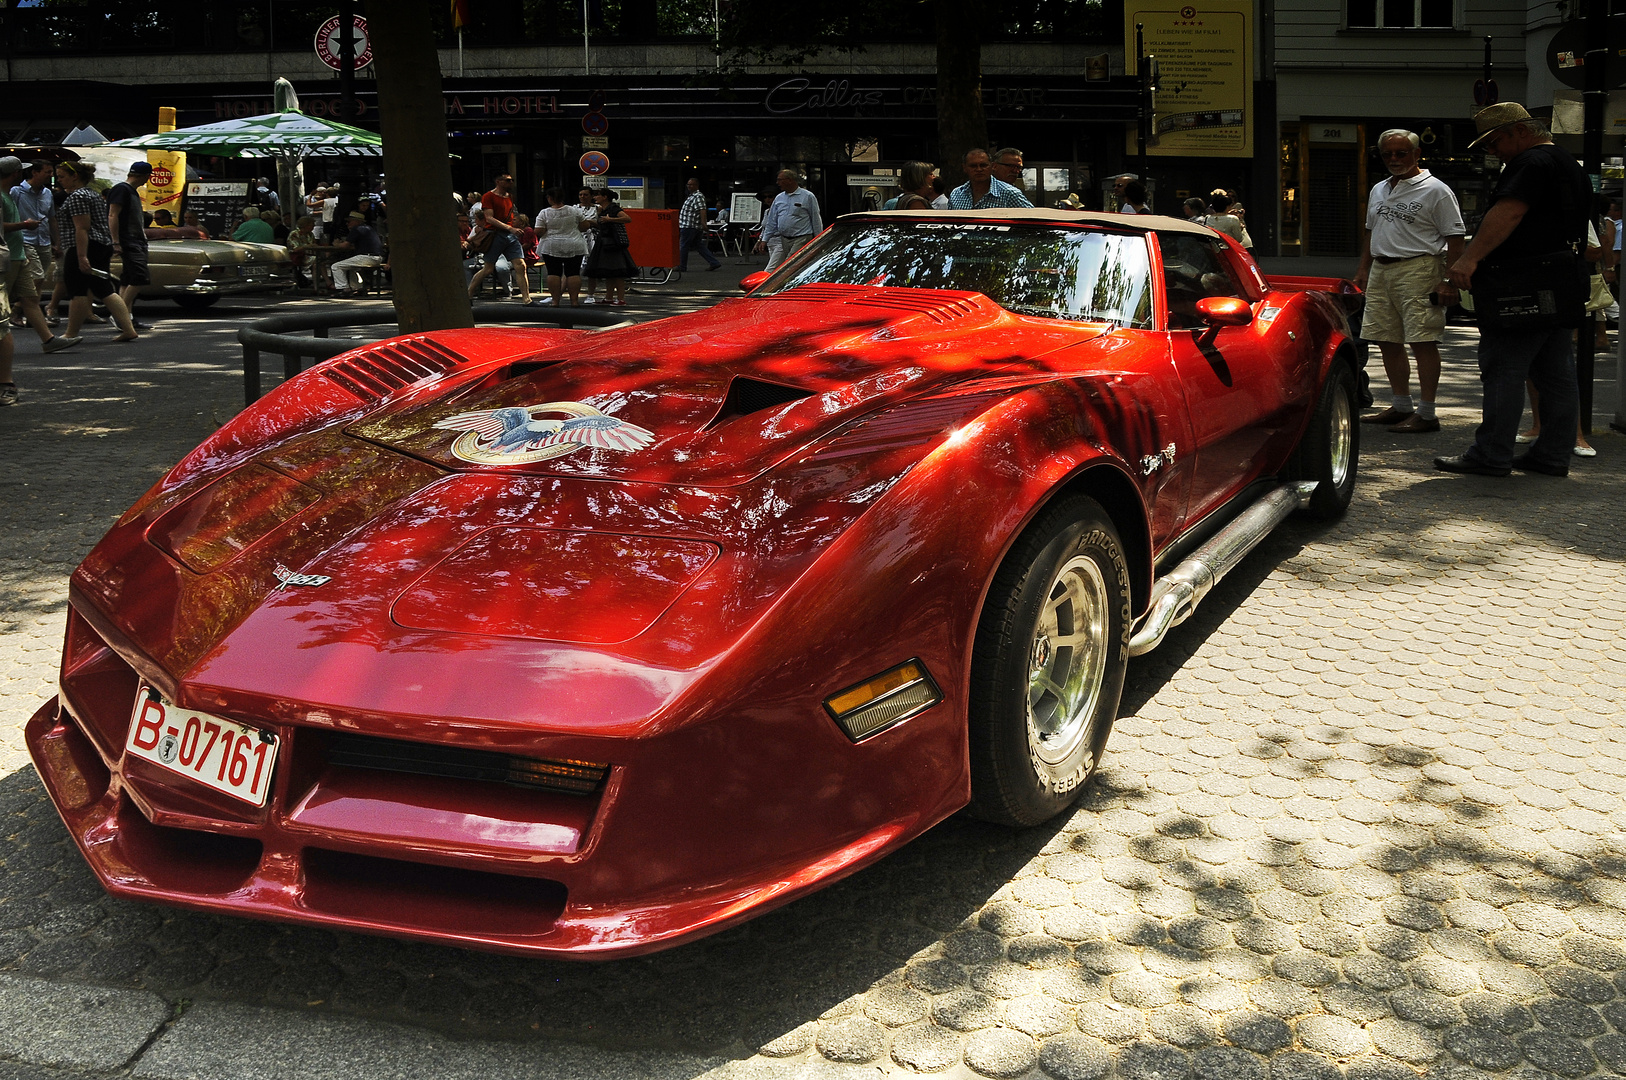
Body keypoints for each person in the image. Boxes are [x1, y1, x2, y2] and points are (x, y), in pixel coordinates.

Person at [1438, 102, 1591, 477]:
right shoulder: (1568, 164)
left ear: (1521, 131)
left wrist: (1469, 259)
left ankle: (1491, 453)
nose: (1493, 152)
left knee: (1505, 366)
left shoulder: (1530, 164)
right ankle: (1553, 454)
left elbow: (1509, 212)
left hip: (1522, 281)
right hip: (1560, 278)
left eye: (1495, 142)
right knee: (1555, 373)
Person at [1351, 128, 1465, 435]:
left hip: (1420, 267)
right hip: (1382, 269)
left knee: (1422, 339)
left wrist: (1448, 280)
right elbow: (1371, 232)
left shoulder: (1436, 190)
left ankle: (1427, 413)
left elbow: (1455, 238)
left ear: (1417, 154)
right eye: (1388, 154)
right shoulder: (1379, 189)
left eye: (1401, 153)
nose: (1394, 159)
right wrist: (1363, 269)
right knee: (1385, 338)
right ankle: (1401, 405)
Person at [53, 160, 138, 344]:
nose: (59, 181)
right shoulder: (91, 194)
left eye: (62, 177)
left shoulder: (78, 196)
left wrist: (81, 256)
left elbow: (82, 228)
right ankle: (128, 328)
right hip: (101, 244)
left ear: (75, 176)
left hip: (85, 245)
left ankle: (71, 333)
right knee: (103, 287)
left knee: (78, 289)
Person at [466, 174, 533, 304]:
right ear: (498, 181)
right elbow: (489, 218)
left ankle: (527, 299)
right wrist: (510, 229)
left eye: (512, 180)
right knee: (488, 268)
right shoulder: (488, 196)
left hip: (509, 235)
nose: (511, 182)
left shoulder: (509, 197)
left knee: (521, 265)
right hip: (495, 234)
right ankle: (469, 293)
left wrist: (513, 228)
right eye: (508, 180)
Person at [105, 161, 153, 329]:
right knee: (140, 277)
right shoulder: (122, 189)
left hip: (136, 238)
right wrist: (116, 241)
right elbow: (112, 215)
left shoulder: (130, 191)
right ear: (146, 176)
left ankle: (128, 318)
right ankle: (120, 314)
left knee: (128, 279)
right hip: (129, 239)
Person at [756, 169, 823, 272]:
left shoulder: (808, 196)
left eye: (780, 180)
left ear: (790, 180)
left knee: (789, 264)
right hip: (784, 239)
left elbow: (815, 218)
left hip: (801, 237)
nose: (777, 183)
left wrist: (819, 238)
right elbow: (772, 221)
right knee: (793, 266)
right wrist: (764, 240)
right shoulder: (779, 198)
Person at [535, 188, 590, 306]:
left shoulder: (544, 213)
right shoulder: (574, 210)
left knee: (553, 273)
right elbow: (585, 226)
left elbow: (539, 230)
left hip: (551, 245)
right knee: (573, 273)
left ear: (550, 198)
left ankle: (555, 301)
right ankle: (574, 301)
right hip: (574, 244)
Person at [584, 191, 636, 305]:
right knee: (609, 271)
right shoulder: (602, 209)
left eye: (597, 195)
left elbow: (627, 219)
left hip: (612, 243)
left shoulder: (613, 208)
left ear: (605, 197)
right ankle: (609, 297)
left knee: (617, 271)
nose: (595, 197)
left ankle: (621, 298)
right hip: (604, 242)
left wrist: (610, 220)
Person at [948, 149, 1032, 210]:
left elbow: (1033, 219)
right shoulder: (957, 194)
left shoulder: (1009, 193)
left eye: (983, 165)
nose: (979, 169)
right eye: (973, 166)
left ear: (992, 166)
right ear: (964, 168)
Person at [329, 210, 384, 295]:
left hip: (367, 257)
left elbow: (345, 245)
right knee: (351, 267)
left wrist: (336, 244)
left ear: (357, 221)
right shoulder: (369, 228)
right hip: (378, 257)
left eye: (349, 221)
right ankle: (357, 288)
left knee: (336, 266)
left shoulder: (356, 229)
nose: (347, 223)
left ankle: (343, 288)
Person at [678, 178, 722, 272]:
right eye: (688, 184)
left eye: (691, 184)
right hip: (691, 225)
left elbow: (702, 210)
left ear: (697, 186)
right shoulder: (691, 196)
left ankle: (682, 266)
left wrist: (703, 223)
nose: (689, 186)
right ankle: (714, 262)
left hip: (690, 225)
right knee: (698, 245)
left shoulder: (698, 196)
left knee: (683, 245)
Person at [576, 187, 601, 303]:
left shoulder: (597, 208)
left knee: (591, 269)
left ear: (591, 196)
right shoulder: (574, 208)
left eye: (585, 195)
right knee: (573, 268)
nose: (582, 197)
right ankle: (571, 293)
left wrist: (591, 223)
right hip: (576, 238)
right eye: (580, 194)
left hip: (592, 239)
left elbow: (601, 223)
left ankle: (590, 294)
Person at [286, 214, 318, 287]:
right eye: (312, 225)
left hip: (310, 255)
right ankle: (325, 283)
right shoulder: (294, 234)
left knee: (318, 262)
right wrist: (307, 246)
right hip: (298, 256)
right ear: (305, 225)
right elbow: (295, 249)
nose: (313, 226)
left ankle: (318, 286)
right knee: (317, 261)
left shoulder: (310, 234)